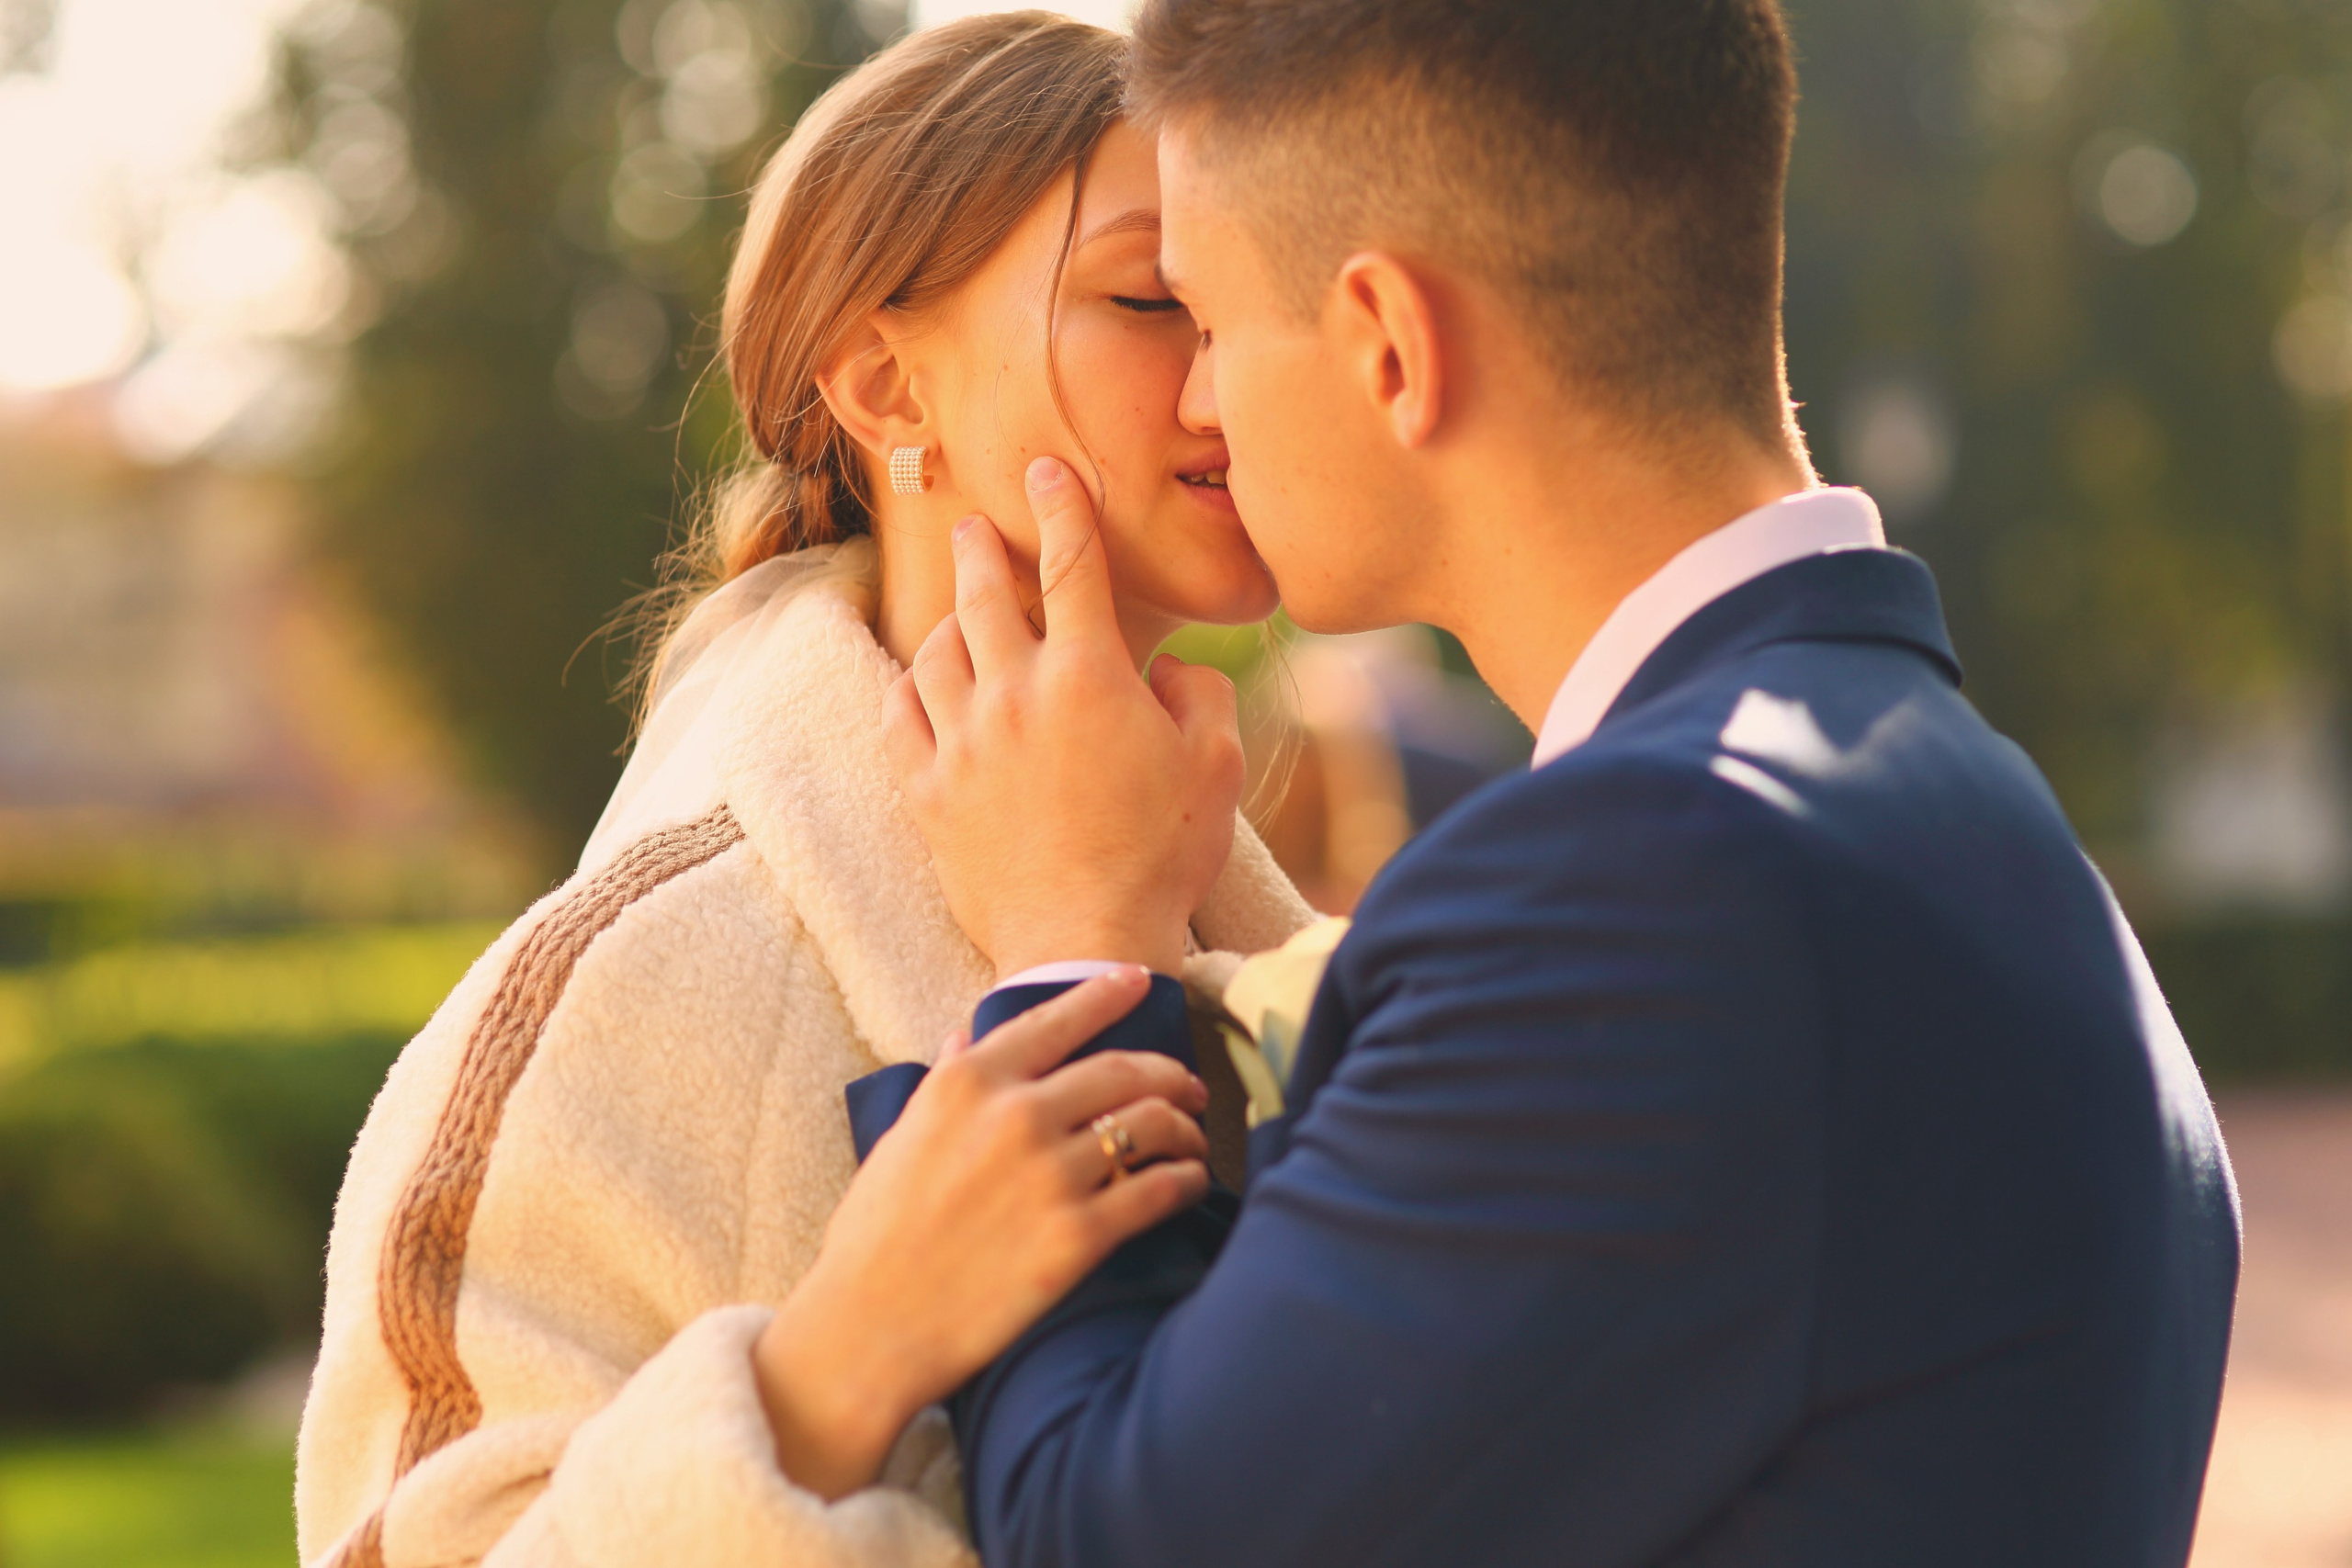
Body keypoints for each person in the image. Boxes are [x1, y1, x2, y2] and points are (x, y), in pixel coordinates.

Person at [752, 1, 2245, 1564]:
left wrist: (1072, 942)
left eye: (1211, 316)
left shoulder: (1650, 894)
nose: (1200, 402)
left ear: (1389, 347)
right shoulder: (1988, 827)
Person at [292, 16, 1314, 1567]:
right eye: (1148, 298)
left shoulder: (1256, 919)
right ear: (886, 386)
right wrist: (835, 1366)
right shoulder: (645, 973)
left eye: (1245, 304)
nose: (1228, 383)